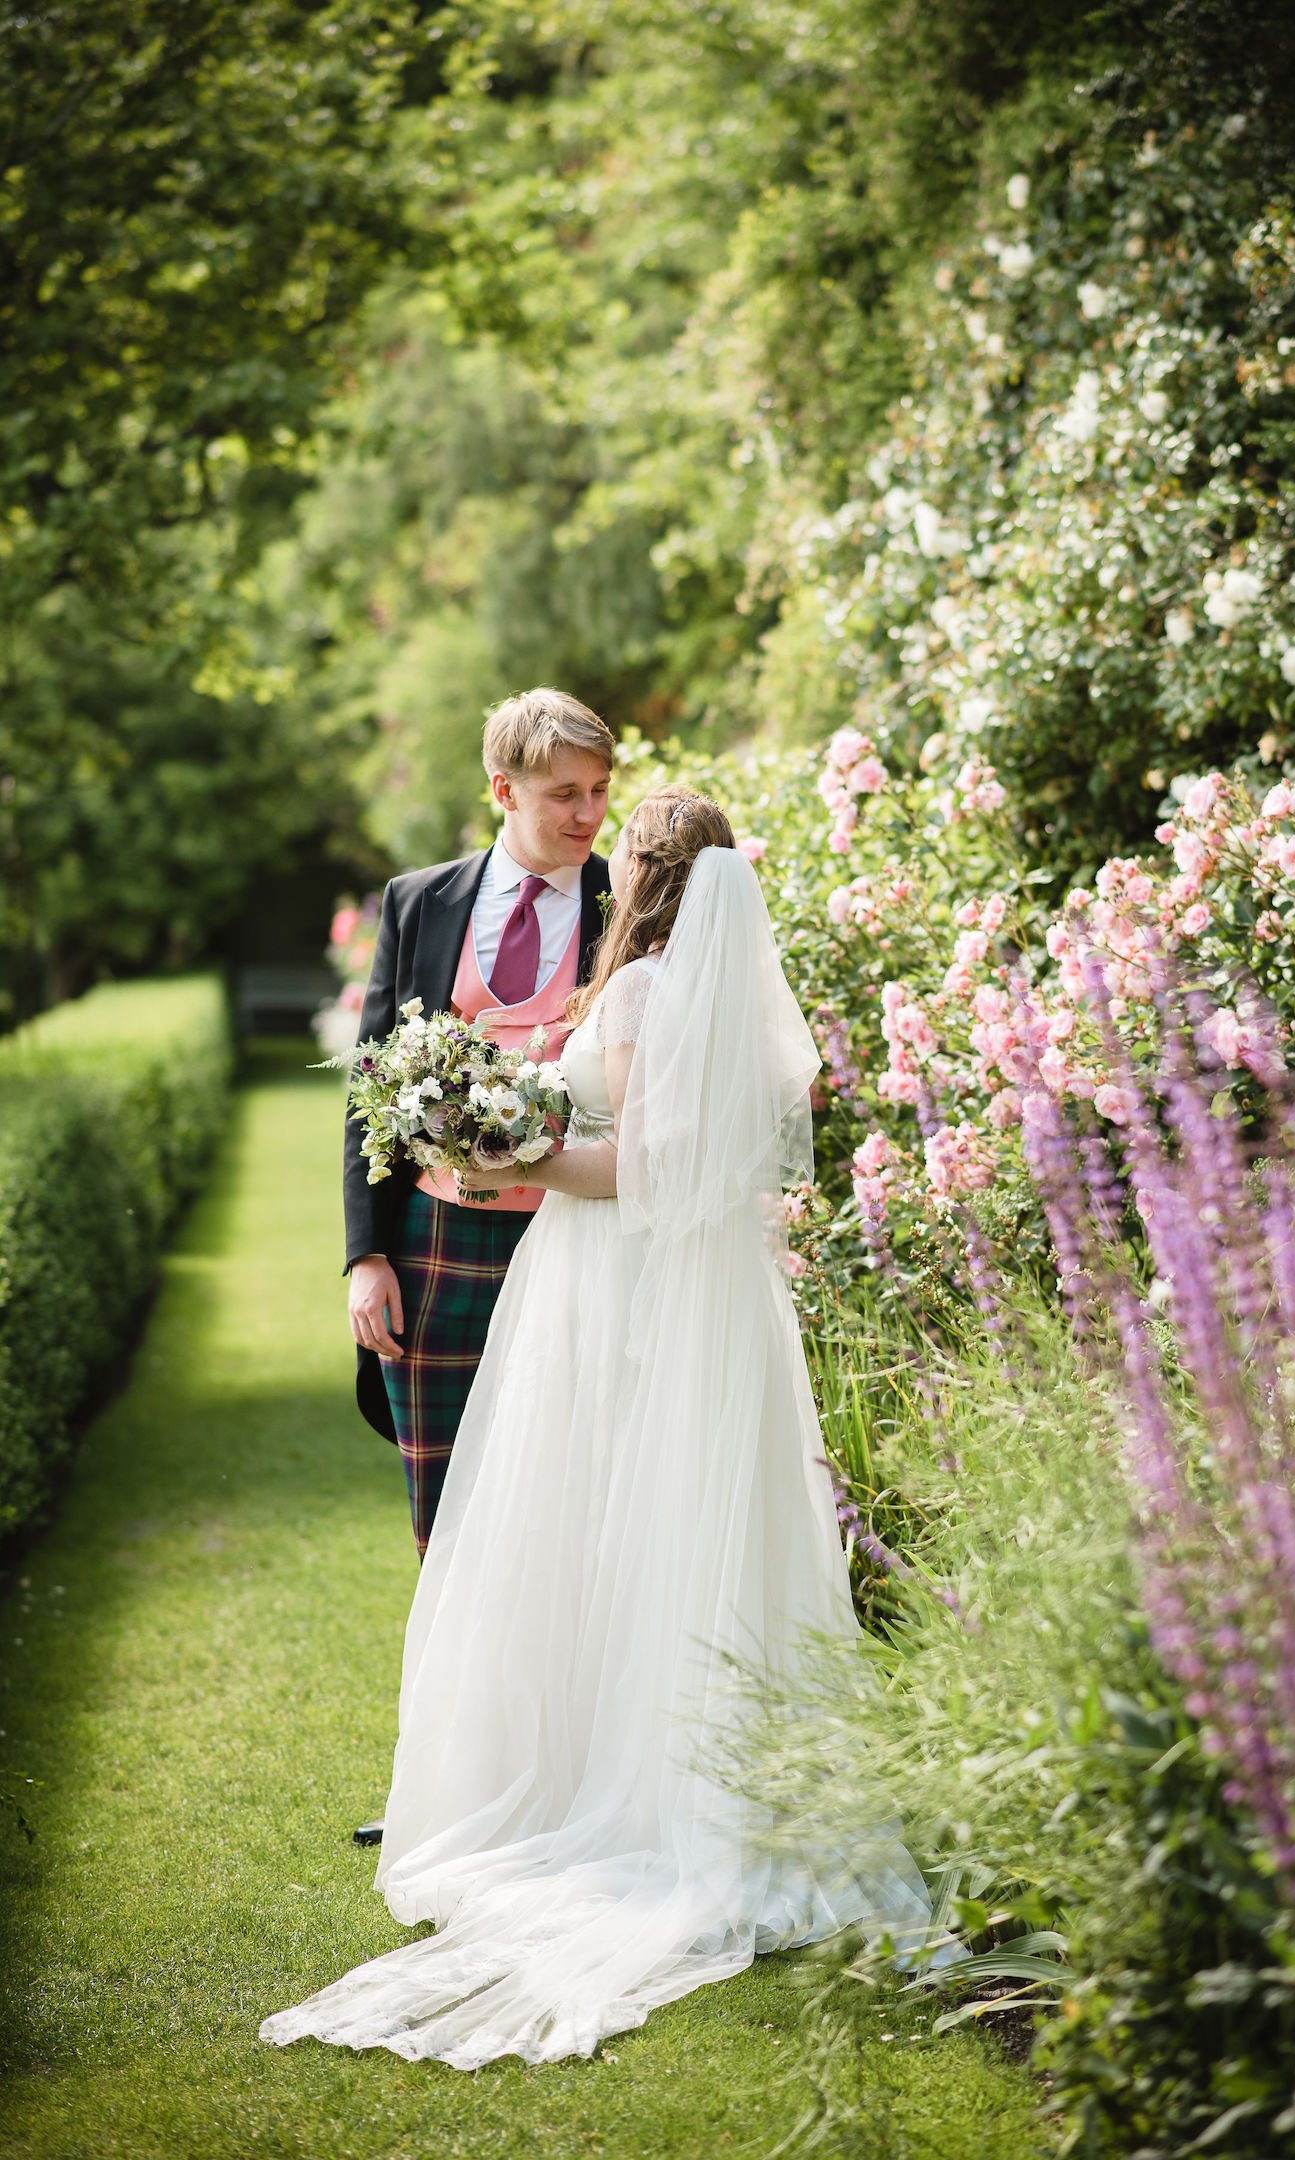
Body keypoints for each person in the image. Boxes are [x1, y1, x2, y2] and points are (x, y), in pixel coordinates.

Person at [262, 788, 935, 2069]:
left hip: (616, 1279)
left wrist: (501, 1150)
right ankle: (716, 1781)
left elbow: (630, 1165)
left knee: (594, 1512)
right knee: (701, 1526)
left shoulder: (635, 995)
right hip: (721, 1298)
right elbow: (718, 1158)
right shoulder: (740, 1002)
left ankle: (600, 1794)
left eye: (624, 847)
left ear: (647, 870)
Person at [343, 687, 612, 1844]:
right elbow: (371, 1085)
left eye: (601, 792)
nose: (589, 815)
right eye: (565, 794)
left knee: (570, 1496)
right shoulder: (419, 903)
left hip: (579, 1237)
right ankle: (450, 1790)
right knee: (444, 1506)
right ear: (502, 791)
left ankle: (569, 1776)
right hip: (437, 1246)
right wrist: (364, 1255)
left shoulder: (629, 902)